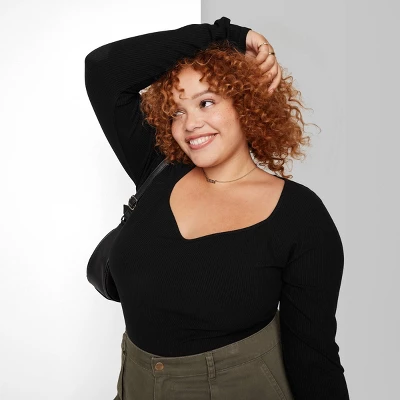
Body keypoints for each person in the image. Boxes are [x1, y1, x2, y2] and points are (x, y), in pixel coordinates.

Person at [85, 16, 350, 400]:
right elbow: (103, 69)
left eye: (206, 102)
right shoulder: (159, 171)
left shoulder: (299, 216)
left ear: (246, 104)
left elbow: (313, 359)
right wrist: (226, 36)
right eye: (177, 111)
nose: (190, 124)